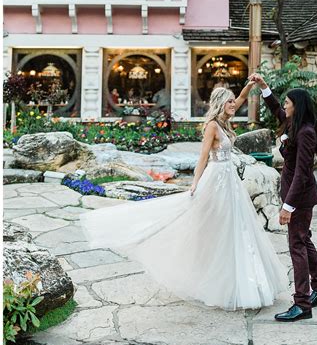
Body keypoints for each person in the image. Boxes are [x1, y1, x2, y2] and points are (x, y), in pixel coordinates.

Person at [80, 81, 288, 310]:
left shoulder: (224, 121)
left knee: (237, 228)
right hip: (217, 179)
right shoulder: (212, 126)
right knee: (218, 229)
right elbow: (202, 157)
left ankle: (239, 280)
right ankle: (218, 282)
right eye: (229, 102)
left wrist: (250, 87)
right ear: (220, 104)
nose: (234, 105)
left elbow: (238, 99)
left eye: (233, 101)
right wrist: (195, 184)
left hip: (230, 183)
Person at [249, 72, 317, 322]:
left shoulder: (306, 132)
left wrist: (288, 206)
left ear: (297, 106)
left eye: (288, 102)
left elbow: (303, 173)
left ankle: (302, 303)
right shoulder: (294, 124)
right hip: (297, 197)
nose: (284, 105)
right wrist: (264, 87)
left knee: (297, 245)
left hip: (300, 198)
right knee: (304, 241)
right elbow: (276, 109)